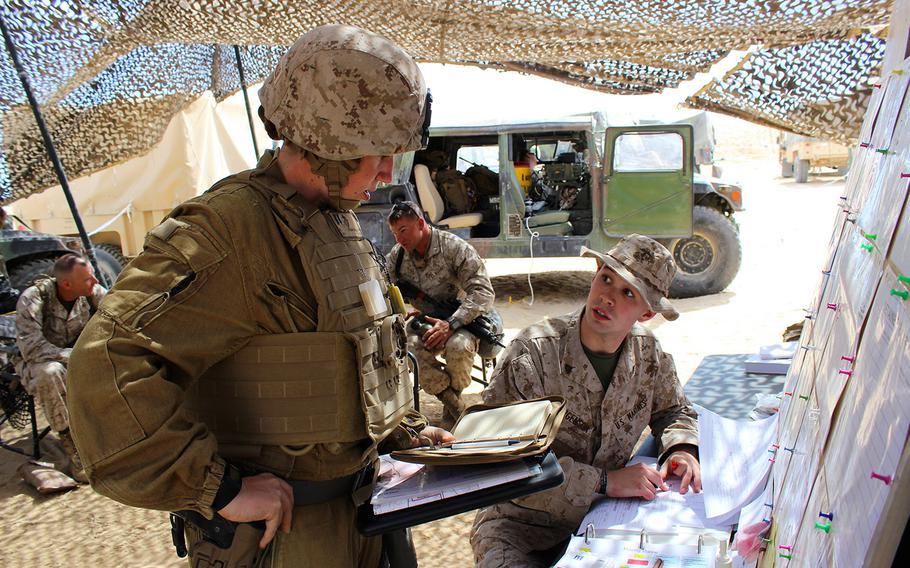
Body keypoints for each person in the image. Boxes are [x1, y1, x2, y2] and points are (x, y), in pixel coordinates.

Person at [66, 25, 450, 567]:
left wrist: (400, 432)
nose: (389, 172)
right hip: (288, 537)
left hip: (364, 516)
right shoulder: (231, 229)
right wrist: (219, 489)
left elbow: (356, 352)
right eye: (378, 153)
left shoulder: (333, 219)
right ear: (329, 142)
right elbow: (106, 362)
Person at [470, 234, 700, 567]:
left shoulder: (649, 355)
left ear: (647, 313)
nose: (607, 297)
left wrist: (681, 447)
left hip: (603, 522)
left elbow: (674, 410)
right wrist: (604, 482)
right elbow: (496, 460)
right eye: (606, 278)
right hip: (520, 525)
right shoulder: (532, 353)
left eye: (627, 293)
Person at [386, 200, 495, 428]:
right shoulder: (397, 257)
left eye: (403, 230)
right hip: (425, 322)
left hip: (463, 318)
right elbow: (385, 290)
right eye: (395, 233)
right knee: (406, 346)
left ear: (421, 224)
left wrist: (451, 324)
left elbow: (483, 291)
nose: (399, 239)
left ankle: (451, 406)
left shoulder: (453, 247)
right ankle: (455, 405)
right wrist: (399, 311)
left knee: (458, 347)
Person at [15, 253, 105, 482]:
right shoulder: (33, 299)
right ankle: (72, 445)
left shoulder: (91, 293)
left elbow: (119, 314)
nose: (95, 282)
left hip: (76, 359)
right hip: (37, 363)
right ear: (66, 284)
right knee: (52, 372)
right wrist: (75, 356)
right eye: (87, 279)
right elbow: (32, 348)